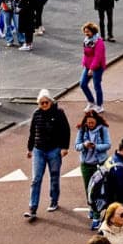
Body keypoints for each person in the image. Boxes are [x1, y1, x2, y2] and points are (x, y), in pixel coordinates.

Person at [25, 88, 72, 221]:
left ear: (51, 102)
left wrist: (64, 147)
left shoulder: (59, 113)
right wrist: (29, 149)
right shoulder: (36, 114)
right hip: (38, 150)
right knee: (36, 179)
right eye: (41, 103)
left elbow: (65, 130)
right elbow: (32, 132)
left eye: (46, 102)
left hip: (54, 150)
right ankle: (32, 208)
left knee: (54, 176)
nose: (44, 105)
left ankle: (54, 200)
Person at [76, 106, 113, 201]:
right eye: (88, 123)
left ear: (96, 121)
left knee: (99, 187)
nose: (90, 125)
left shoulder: (103, 129)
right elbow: (76, 146)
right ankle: (92, 208)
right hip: (86, 164)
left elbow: (108, 145)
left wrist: (95, 146)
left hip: (99, 163)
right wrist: (84, 145)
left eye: (92, 122)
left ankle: (96, 210)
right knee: (88, 188)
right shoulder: (82, 129)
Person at [81, 22, 108, 109]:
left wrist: (92, 69)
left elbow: (98, 57)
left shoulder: (99, 42)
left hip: (98, 67)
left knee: (97, 85)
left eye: (88, 31)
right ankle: (91, 101)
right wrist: (84, 63)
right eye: (85, 32)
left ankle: (99, 105)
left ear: (93, 31)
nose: (86, 33)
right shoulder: (86, 41)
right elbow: (86, 54)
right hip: (88, 66)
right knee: (83, 84)